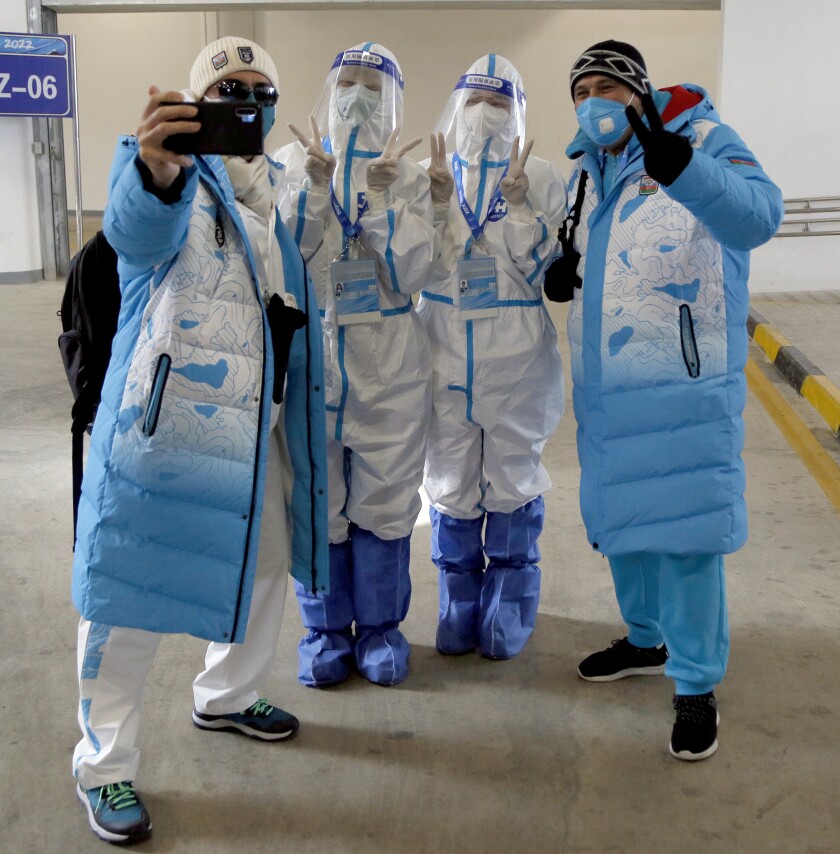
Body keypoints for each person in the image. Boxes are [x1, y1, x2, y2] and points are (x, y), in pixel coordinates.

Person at [71, 36, 328, 844]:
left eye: (259, 87)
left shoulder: (278, 187)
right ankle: (104, 768)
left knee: (265, 565)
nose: (245, 97)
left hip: (260, 426)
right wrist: (157, 172)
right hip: (165, 435)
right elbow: (136, 237)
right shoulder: (162, 167)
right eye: (226, 85)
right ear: (194, 102)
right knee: (129, 597)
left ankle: (225, 696)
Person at [558, 40, 783, 760]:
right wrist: (561, 266)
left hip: (682, 379)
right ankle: (646, 640)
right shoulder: (585, 172)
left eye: (606, 85)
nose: (593, 100)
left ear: (638, 90)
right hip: (610, 385)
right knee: (625, 521)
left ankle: (694, 685)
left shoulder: (703, 136)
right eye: (581, 88)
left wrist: (684, 171)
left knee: (684, 536)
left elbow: (758, 217)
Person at [274, 43, 436, 688]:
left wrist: (386, 203)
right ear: (328, 87)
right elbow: (288, 259)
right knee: (318, 497)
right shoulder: (292, 162)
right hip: (313, 352)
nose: (359, 95)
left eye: (374, 84)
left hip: (387, 357)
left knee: (388, 501)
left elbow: (413, 275)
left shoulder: (413, 175)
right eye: (348, 81)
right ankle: (323, 632)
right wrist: (315, 188)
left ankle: (379, 629)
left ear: (393, 96)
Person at [416, 55, 566, 660]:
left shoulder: (547, 177)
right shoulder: (429, 174)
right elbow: (414, 265)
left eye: (499, 102)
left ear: (518, 111)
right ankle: (458, 608)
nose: (484, 112)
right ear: (457, 106)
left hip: (516, 352)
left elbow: (542, 269)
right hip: (441, 346)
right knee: (449, 480)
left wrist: (523, 206)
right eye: (474, 99)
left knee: (512, 478)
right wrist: (430, 205)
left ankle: (507, 610)